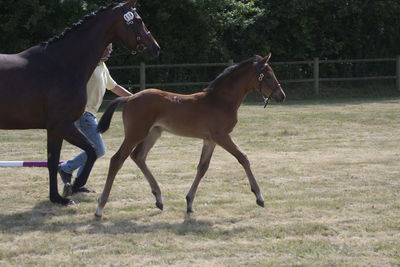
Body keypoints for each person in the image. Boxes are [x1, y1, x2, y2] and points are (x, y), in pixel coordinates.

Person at [58, 43, 133, 196]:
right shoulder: (88, 64)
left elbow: (115, 87)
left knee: (92, 150)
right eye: (105, 49)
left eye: (110, 50)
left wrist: (135, 98)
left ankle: (78, 185)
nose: (108, 52)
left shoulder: (102, 67)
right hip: (82, 114)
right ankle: (66, 168)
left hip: (89, 114)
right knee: (98, 149)